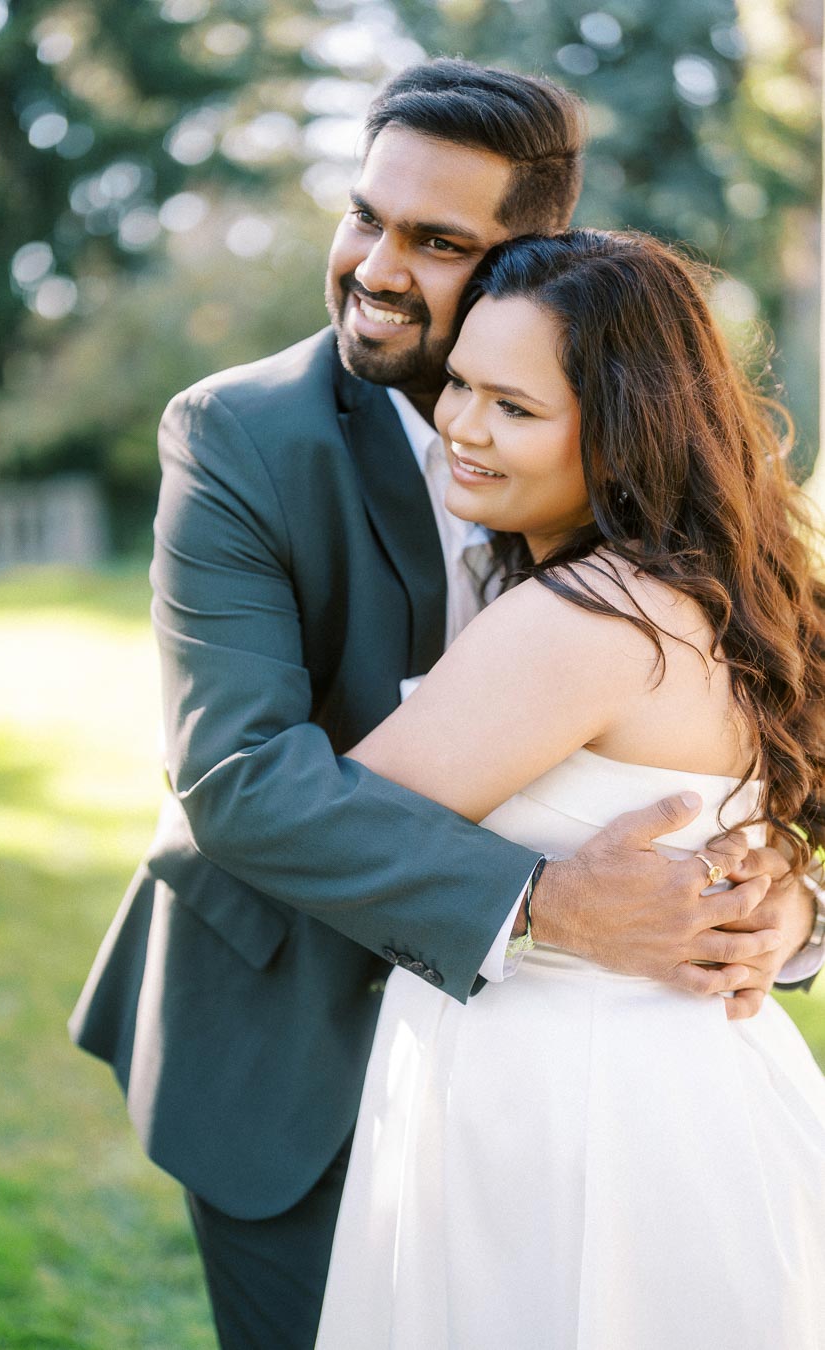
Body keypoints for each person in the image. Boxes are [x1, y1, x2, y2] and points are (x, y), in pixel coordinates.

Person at [68, 61, 821, 1348]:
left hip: (578, 1087)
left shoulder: (645, 496)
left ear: (535, 260)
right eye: (365, 214)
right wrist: (536, 903)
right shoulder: (240, 434)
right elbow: (238, 779)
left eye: (436, 241)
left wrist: (783, 905)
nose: (373, 265)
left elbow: (762, 732)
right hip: (283, 1039)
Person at [314, 229, 825, 1349]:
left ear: (624, 432)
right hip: (697, 1097)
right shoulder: (720, 592)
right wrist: (790, 894)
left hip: (572, 1117)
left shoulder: (587, 619)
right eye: (460, 384)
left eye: (515, 407)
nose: (460, 425)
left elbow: (328, 836)